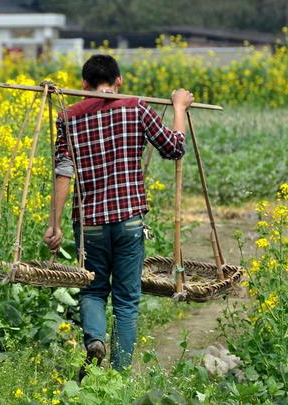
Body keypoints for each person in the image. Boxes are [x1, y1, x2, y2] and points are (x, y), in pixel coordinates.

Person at [43, 54, 193, 379]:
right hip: (129, 221)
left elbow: (63, 172)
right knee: (126, 301)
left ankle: (95, 340)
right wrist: (179, 107)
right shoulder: (136, 107)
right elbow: (174, 147)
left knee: (93, 290)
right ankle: (117, 377)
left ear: (84, 85)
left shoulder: (68, 117)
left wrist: (53, 224)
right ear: (119, 81)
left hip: (90, 224)